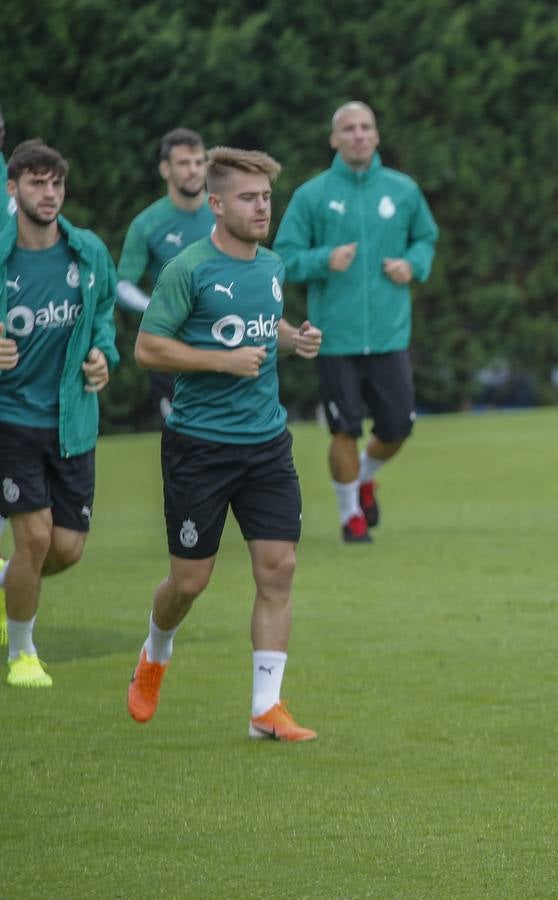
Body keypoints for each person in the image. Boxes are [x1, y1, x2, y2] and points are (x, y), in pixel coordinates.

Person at [125, 146, 323, 741]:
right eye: (249, 198)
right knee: (189, 581)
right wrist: (221, 361)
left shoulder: (271, 266)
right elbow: (148, 348)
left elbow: (265, 325)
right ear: (216, 204)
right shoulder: (187, 269)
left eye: (266, 197)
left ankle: (266, 706)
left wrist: (294, 339)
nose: (262, 207)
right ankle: (155, 651)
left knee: (279, 567)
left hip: (266, 443)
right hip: (200, 447)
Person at [275, 101, 438, 543]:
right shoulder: (312, 195)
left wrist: (414, 264)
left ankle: (363, 477)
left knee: (398, 428)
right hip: (334, 338)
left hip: (389, 334)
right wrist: (324, 259)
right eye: (349, 129)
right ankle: (351, 517)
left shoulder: (403, 190)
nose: (359, 135)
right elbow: (284, 258)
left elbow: (426, 238)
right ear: (334, 139)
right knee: (344, 427)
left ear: (377, 136)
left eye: (366, 127)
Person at [0, 139, 118, 687]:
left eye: (56, 184)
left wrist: (103, 357)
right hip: (12, 419)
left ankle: (8, 583)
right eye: (36, 183)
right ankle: (22, 652)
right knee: (36, 539)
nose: (49, 195)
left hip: (74, 421)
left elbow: (104, 316)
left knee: (66, 550)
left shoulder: (88, 250)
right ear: (12, 188)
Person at [116, 128, 216, 423]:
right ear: (165, 169)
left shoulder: (226, 214)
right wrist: (157, 309)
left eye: (199, 162)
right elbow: (122, 284)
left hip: (223, 340)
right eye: (184, 163)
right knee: (181, 440)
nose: (194, 170)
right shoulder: (147, 223)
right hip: (170, 350)